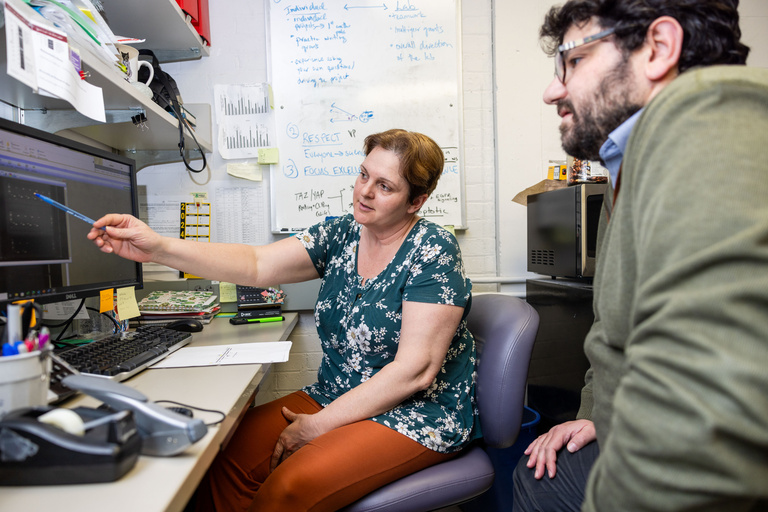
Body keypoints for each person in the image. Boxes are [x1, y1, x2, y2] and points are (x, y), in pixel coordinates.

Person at [88, 128, 481, 511]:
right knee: (222, 455)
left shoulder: (433, 249)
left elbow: (416, 371)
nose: (364, 191)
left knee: (292, 486)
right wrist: (157, 248)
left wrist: (318, 425)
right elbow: (257, 265)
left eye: (385, 186)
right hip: (337, 395)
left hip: (417, 412)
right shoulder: (341, 233)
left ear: (416, 202)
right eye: (363, 174)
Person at [512, 1, 768, 510]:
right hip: (619, 427)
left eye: (574, 61)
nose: (552, 90)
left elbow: (704, 428)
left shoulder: (707, 126)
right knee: (538, 475)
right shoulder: (628, 167)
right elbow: (615, 335)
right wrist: (593, 414)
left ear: (659, 48)